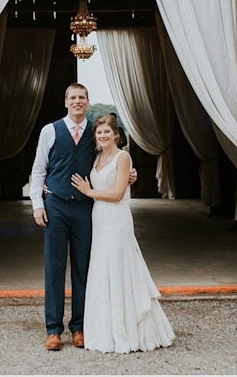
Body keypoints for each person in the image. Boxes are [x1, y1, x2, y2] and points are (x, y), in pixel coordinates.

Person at [29, 83, 135, 351]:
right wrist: (37, 205)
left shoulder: (95, 133)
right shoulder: (50, 131)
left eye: (82, 97)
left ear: (88, 102)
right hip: (56, 205)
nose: (77, 101)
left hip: (86, 209)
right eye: (72, 98)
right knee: (54, 268)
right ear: (66, 102)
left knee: (84, 267)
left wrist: (131, 175)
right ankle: (54, 330)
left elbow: (112, 161)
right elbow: (39, 170)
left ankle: (80, 327)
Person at [70, 114, 175, 353]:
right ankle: (103, 329)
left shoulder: (123, 157)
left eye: (107, 132)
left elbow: (117, 194)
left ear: (116, 135)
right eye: (99, 133)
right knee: (102, 268)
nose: (103, 136)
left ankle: (128, 329)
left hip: (117, 219)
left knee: (119, 268)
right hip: (99, 219)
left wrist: (88, 191)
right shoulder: (97, 157)